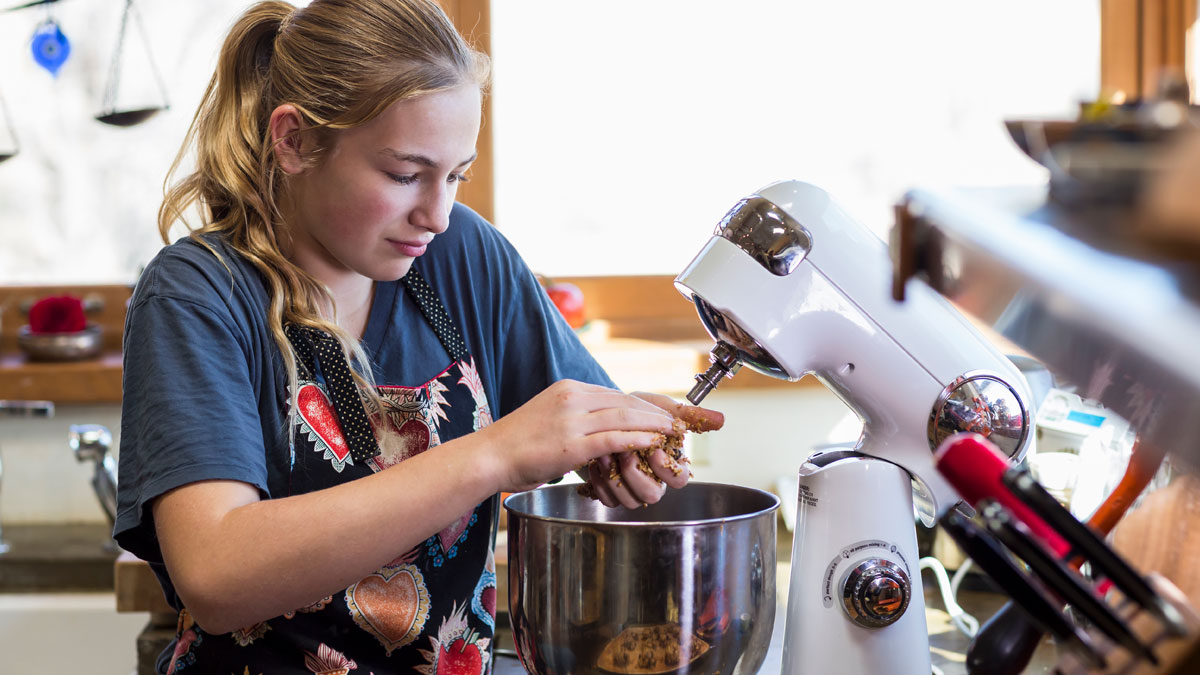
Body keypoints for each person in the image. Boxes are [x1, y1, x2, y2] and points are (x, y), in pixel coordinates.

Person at [113, 1, 721, 673]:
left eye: (456, 174)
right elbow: (217, 573)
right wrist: (494, 454)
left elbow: (567, 421)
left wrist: (619, 443)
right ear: (294, 141)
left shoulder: (465, 257)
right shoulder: (198, 295)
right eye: (405, 174)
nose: (437, 212)